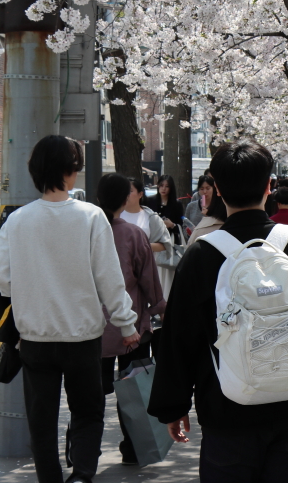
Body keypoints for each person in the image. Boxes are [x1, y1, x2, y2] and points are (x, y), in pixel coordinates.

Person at [149, 139, 288, 482]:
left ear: (218, 190)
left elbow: (179, 337)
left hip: (227, 410)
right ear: (269, 186)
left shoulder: (201, 255)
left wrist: (174, 404)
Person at [0, 135, 140, 483]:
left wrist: (34, 288)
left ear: (35, 171)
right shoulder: (90, 217)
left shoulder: (17, 220)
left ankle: (50, 479)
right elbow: (109, 279)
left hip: (35, 338)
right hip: (83, 336)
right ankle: (82, 475)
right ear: (71, 171)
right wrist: (126, 325)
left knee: (41, 421)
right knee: (87, 413)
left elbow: (2, 279)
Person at [97, 174, 166, 465]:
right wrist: (159, 307)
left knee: (90, 395)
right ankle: (133, 448)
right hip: (131, 327)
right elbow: (148, 279)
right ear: (125, 199)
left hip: (92, 329)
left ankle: (81, 451)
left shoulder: (88, 231)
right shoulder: (133, 235)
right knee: (134, 390)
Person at [145, 175, 187, 241]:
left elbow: (181, 227)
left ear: (171, 188)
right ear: (158, 186)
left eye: (167, 186)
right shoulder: (149, 201)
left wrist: (172, 225)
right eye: (161, 185)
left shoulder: (176, 204)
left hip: (170, 240)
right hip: (152, 239)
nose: (163, 188)